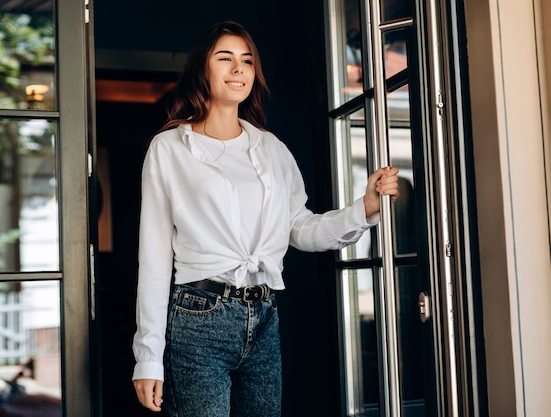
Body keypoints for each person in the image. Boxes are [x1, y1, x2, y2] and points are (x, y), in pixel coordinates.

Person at [132, 20, 400, 417]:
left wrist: (364, 208)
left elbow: (299, 228)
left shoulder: (271, 148)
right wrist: (148, 357)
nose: (238, 69)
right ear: (202, 69)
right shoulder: (170, 148)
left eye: (247, 61)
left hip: (264, 317)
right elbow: (154, 260)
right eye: (225, 58)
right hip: (198, 317)